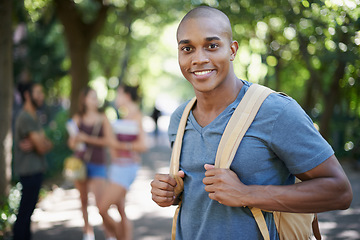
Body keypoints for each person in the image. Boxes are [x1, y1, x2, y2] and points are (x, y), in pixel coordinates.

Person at [150, 6, 353, 240]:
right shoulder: (179, 118)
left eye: (212, 46)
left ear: (232, 50)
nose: (199, 58)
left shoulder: (275, 111)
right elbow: (199, 196)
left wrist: (246, 194)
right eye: (187, 48)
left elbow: (339, 191)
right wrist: (172, 193)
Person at [99, 84, 148, 240]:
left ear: (126, 96)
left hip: (125, 169)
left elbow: (143, 145)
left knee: (102, 208)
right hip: (117, 167)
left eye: (118, 94)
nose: (116, 98)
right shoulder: (125, 116)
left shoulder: (137, 116)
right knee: (120, 210)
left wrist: (122, 146)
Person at [67, 86, 113, 240]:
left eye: (96, 97)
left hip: (98, 163)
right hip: (80, 164)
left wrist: (86, 138)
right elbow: (71, 144)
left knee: (101, 203)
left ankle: (109, 234)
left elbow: (108, 141)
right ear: (84, 100)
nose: (95, 100)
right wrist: (75, 140)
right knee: (83, 200)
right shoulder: (77, 118)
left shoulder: (102, 117)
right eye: (91, 97)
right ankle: (87, 232)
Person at [13, 82, 53, 240]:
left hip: (36, 170)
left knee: (28, 213)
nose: (41, 96)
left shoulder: (34, 116)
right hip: (29, 172)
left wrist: (41, 143)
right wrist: (41, 144)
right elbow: (42, 147)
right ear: (27, 95)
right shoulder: (25, 117)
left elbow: (47, 144)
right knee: (24, 213)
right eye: (37, 92)